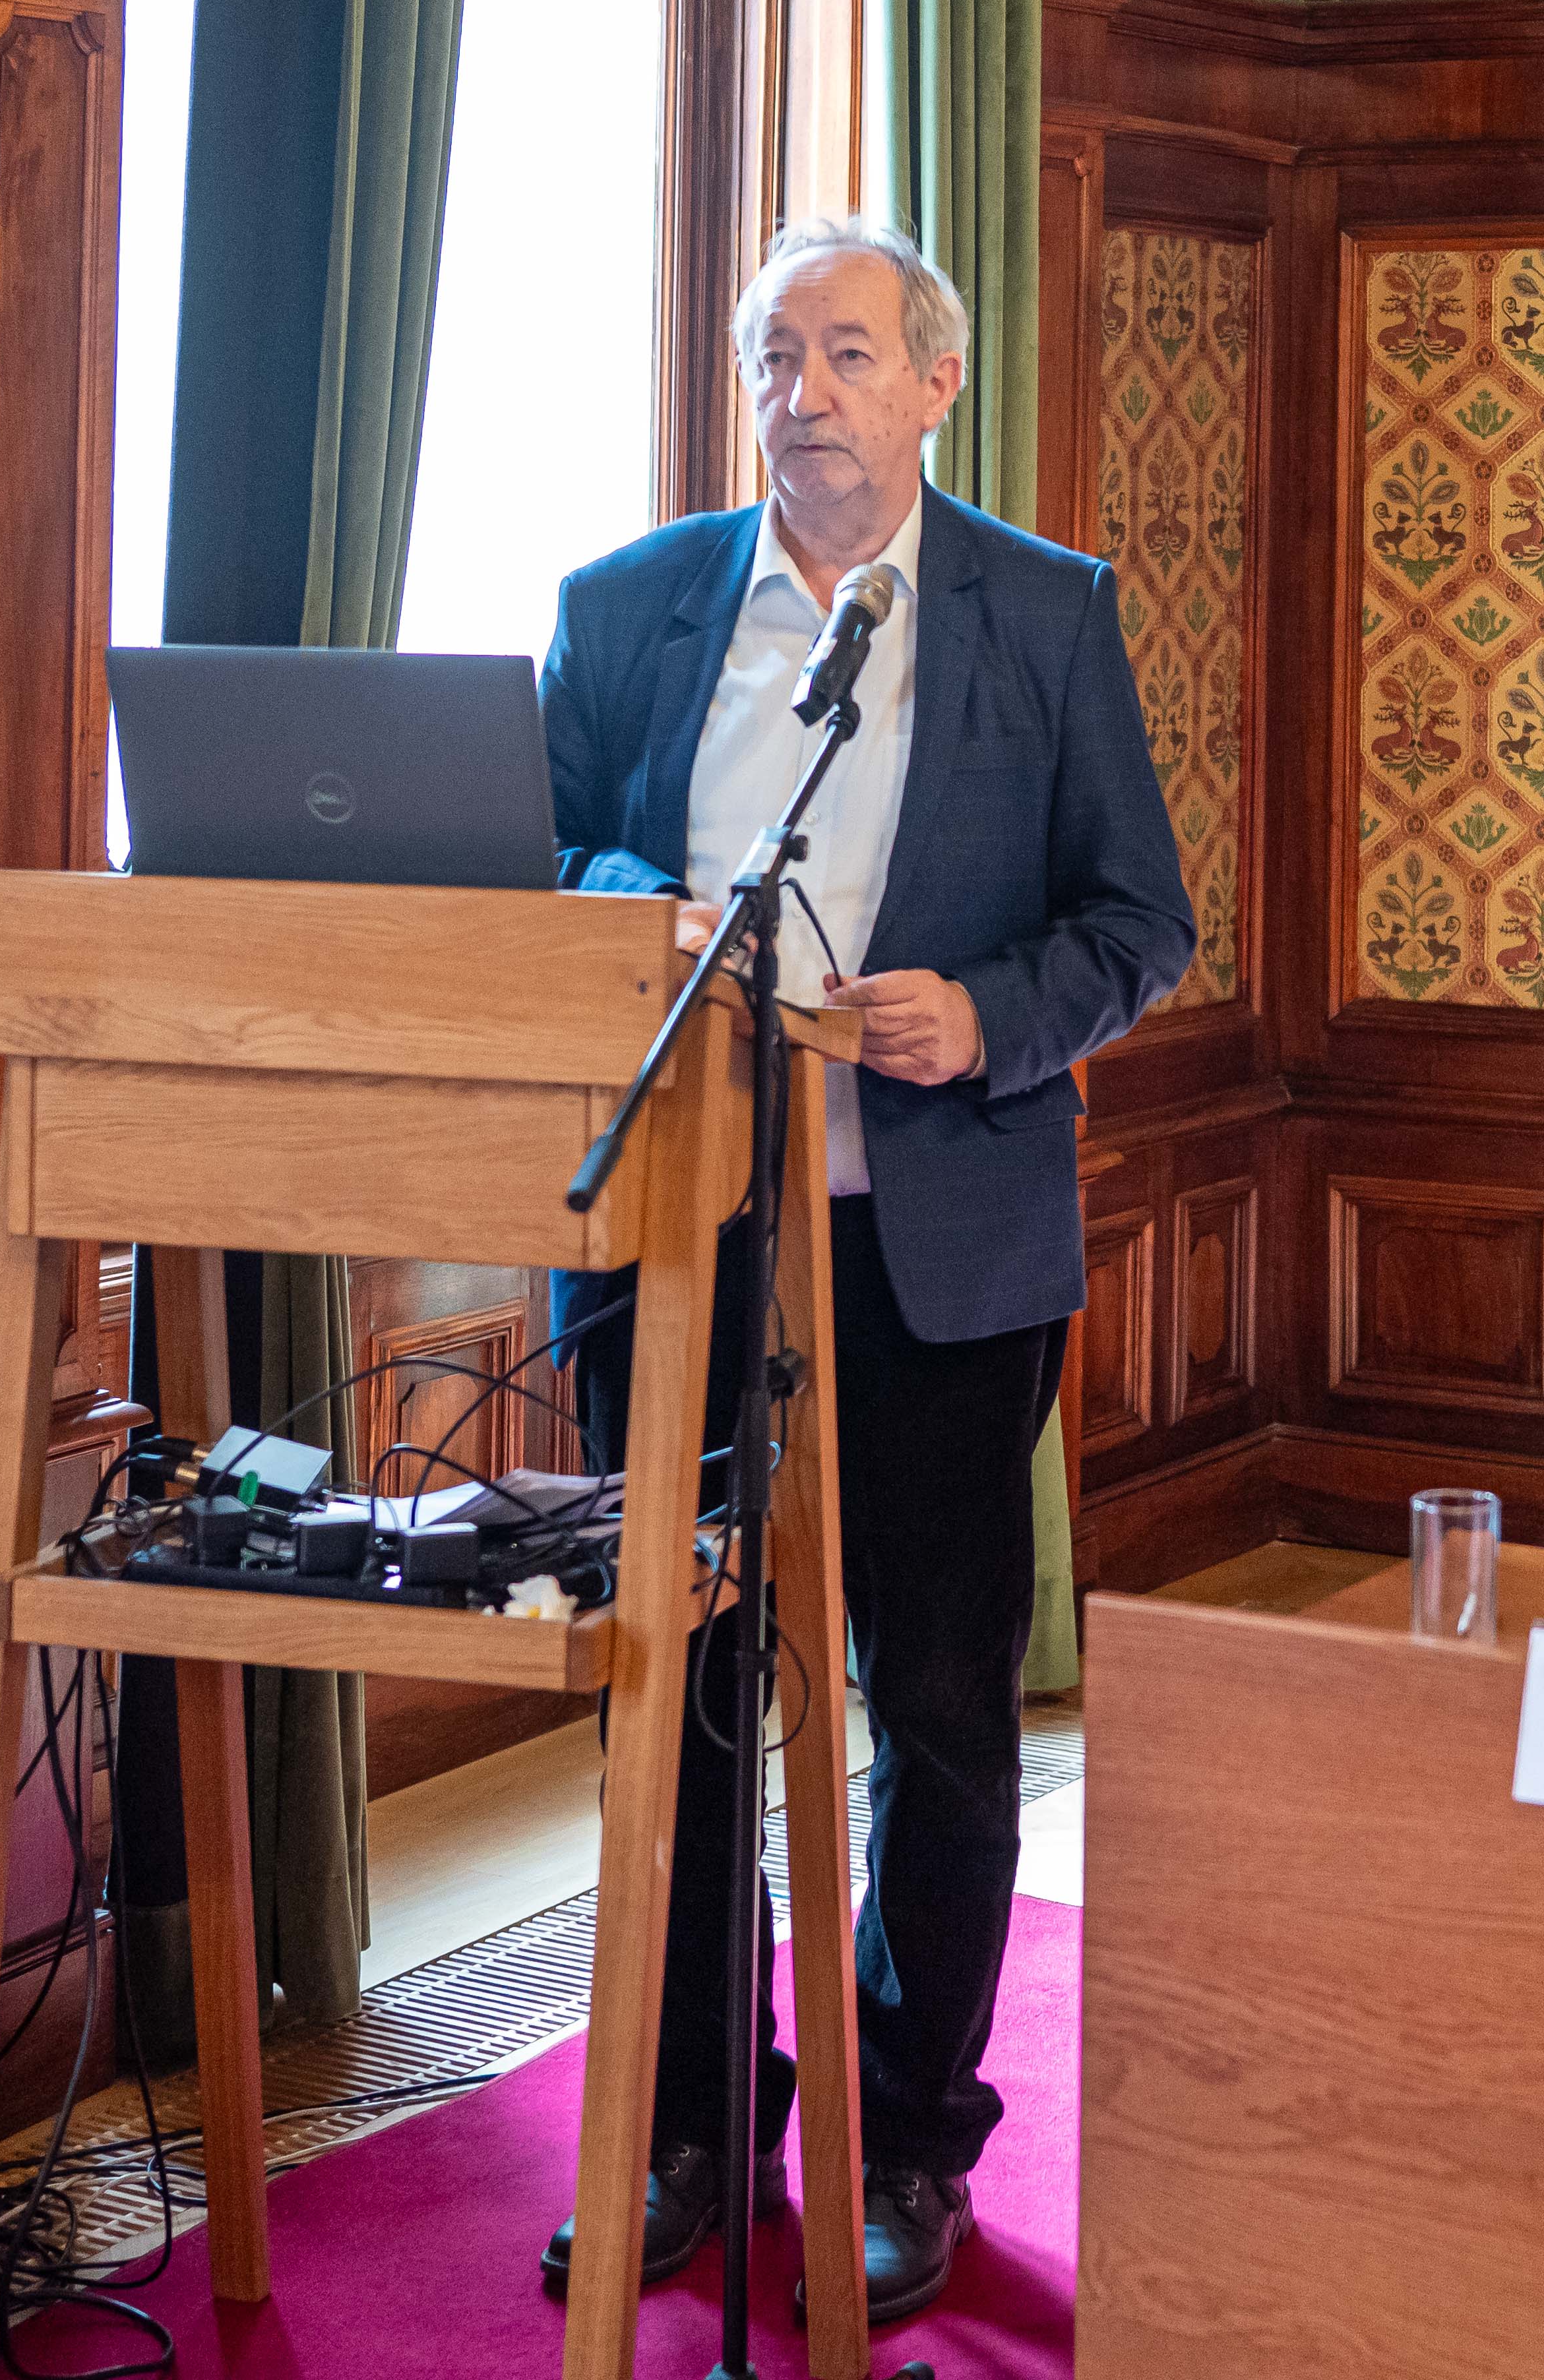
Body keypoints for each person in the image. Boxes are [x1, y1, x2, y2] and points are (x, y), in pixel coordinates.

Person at [534, 216, 1192, 2315]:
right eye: (772, 356)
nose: (801, 393)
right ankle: (691, 2126)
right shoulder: (625, 607)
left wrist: (986, 1016)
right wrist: (644, 913)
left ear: (935, 386)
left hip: (938, 1240)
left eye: (842, 352)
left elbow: (1139, 923)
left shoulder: (1044, 614)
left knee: (937, 1702)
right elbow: (537, 859)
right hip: (676, 1236)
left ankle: (908, 2139)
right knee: (677, 1695)